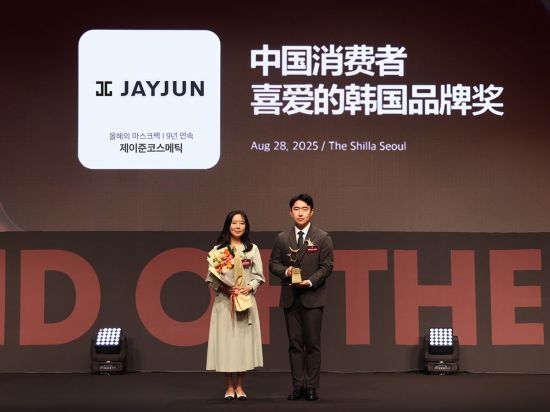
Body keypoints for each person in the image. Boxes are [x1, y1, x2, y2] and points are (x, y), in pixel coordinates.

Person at [269, 193, 334, 401]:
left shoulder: (322, 237)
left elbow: (327, 267)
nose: (300, 213)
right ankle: (298, 386)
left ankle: (311, 387)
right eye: (296, 209)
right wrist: (286, 271)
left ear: (311, 212)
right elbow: (273, 264)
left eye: (304, 209)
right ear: (290, 212)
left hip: (313, 297)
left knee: (312, 344)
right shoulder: (282, 238)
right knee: (295, 345)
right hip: (290, 297)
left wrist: (310, 281)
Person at [205, 210, 264, 400]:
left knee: (243, 345)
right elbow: (211, 279)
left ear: (246, 226)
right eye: (234, 222)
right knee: (227, 344)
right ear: (228, 225)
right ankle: (229, 386)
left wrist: (249, 287)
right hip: (225, 303)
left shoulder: (252, 249)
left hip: (245, 301)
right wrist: (225, 288)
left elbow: (258, 276)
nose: (238, 226)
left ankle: (240, 386)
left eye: (242, 223)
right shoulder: (218, 250)